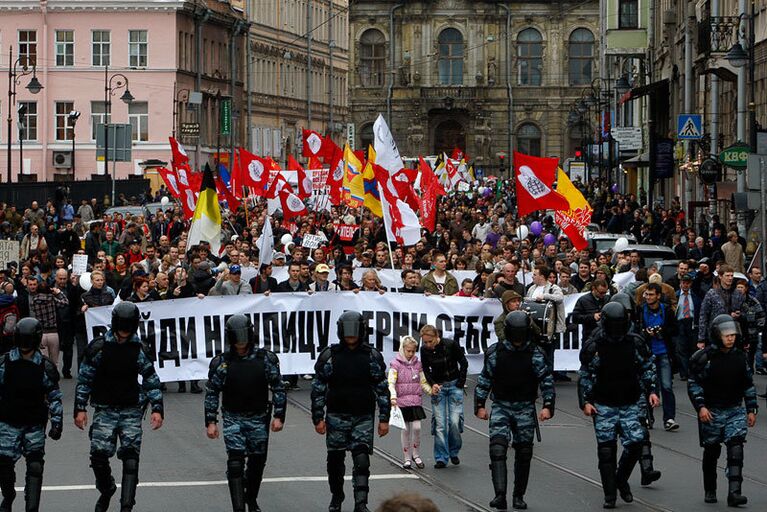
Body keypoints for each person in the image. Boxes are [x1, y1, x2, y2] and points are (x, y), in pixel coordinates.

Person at [74, 301, 164, 512]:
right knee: (98, 457)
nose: (124, 331)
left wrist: (158, 408)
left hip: (131, 409)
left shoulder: (138, 348)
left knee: (131, 459)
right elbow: (85, 380)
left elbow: (151, 379)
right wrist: (80, 408)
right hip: (105, 409)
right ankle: (106, 490)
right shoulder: (99, 347)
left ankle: (126, 506)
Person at [578, 302, 659, 509]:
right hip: (604, 403)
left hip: (630, 401)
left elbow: (647, 367)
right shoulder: (594, 345)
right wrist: (586, 401)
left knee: (635, 443)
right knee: (606, 451)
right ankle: (610, 494)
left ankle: (621, 478)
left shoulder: (635, 343)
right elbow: (585, 375)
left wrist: (652, 391)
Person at [205, 315, 287, 512]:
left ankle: (251, 498)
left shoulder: (265, 359)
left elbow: (278, 388)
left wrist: (279, 416)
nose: (241, 341)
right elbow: (212, 392)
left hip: (258, 417)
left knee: (257, 463)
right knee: (235, 462)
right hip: (233, 417)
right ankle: (239, 507)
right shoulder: (222, 363)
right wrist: (211, 421)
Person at [311, 311, 390, 512]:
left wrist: (384, 418)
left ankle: (361, 503)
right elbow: (318, 388)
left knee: (362, 459)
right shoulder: (330, 356)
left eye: (354, 332)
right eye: (347, 332)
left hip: (363, 415)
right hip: (337, 415)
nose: (351, 336)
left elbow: (382, 388)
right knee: (335, 461)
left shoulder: (371, 356)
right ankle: (337, 496)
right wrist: (318, 417)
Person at [475, 312, 555, 511]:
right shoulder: (496, 353)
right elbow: (485, 379)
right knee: (497, 449)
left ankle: (518, 496)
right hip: (501, 405)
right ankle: (500, 495)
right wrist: (479, 405)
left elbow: (546, 381)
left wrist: (548, 406)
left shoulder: (535, 354)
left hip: (525, 407)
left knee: (524, 452)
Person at [688, 314, 758, 506]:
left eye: (733, 335)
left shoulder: (739, 356)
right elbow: (694, 384)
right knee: (711, 451)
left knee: (736, 448)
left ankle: (734, 493)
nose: (730, 338)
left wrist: (751, 408)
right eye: (726, 335)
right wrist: (701, 407)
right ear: (717, 335)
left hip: (734, 410)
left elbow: (748, 384)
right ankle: (710, 489)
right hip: (712, 411)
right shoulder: (703, 358)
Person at [0, 318, 62, 512]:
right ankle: (8, 495)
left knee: (35, 466)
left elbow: (54, 396)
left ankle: (32, 507)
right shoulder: (5, 363)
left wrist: (57, 423)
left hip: (34, 424)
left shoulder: (44, 366)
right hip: (8, 423)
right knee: (4, 465)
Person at [420, 324, 468, 469]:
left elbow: (463, 363)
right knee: (440, 424)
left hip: (454, 385)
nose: (428, 345)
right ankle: (441, 457)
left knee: (454, 421)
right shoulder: (424, 350)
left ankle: (454, 451)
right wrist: (432, 384)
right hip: (438, 387)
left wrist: (460, 382)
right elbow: (425, 369)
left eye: (430, 341)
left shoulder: (450, 345)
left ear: (436, 337)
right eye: (425, 342)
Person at [636, 283, 679, 431]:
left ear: (658, 296)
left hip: (663, 353)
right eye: (646, 295)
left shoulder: (666, 310)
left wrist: (662, 330)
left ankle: (669, 418)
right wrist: (645, 332)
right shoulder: (641, 310)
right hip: (647, 354)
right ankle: (649, 417)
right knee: (648, 386)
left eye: (651, 295)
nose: (648, 297)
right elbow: (635, 331)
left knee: (666, 386)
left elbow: (675, 329)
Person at [387, 336, 432, 469]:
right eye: (409, 351)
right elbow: (391, 382)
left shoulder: (418, 364)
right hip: (401, 401)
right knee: (405, 429)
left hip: (415, 400)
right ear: (403, 349)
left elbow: (422, 381)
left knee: (417, 428)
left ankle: (416, 454)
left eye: (413, 351)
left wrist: (430, 391)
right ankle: (407, 458)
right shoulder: (395, 365)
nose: (411, 353)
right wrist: (393, 397)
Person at [674, 273, 701, 381]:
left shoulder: (695, 297)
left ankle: (691, 371)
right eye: (683, 283)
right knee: (681, 349)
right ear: (680, 283)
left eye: (687, 283)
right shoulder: (676, 296)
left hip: (692, 323)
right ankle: (684, 372)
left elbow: (698, 310)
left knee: (692, 348)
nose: (685, 285)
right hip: (680, 323)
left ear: (690, 284)